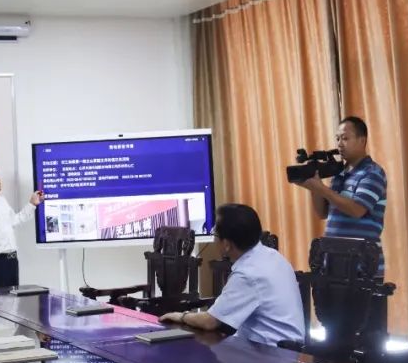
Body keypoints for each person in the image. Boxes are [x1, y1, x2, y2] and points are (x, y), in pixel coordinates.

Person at [159, 204, 304, 347]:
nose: (214, 238)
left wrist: (181, 316)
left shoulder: (247, 274)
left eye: (215, 233)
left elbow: (210, 321)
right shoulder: (272, 256)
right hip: (285, 348)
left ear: (227, 244)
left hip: (271, 352)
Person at [295, 116, 388, 275]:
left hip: (362, 265)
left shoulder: (372, 173)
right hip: (333, 261)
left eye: (345, 138)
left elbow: (357, 209)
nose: (339, 143)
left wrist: (322, 189)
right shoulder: (339, 174)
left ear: (362, 141)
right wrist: (313, 186)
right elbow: (322, 213)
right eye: (337, 138)